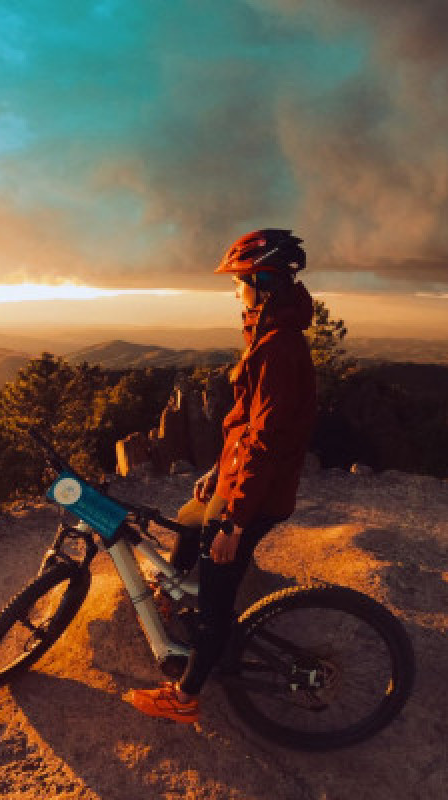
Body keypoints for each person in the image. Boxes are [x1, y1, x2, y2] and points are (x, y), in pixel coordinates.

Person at [124, 228, 318, 724]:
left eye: (239, 281)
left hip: (257, 496)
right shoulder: (265, 332)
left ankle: (186, 696)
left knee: (215, 593)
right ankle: (181, 606)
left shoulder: (277, 347)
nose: (234, 290)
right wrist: (216, 472)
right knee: (187, 523)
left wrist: (233, 520)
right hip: (242, 481)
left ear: (262, 281)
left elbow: (266, 440)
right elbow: (244, 427)